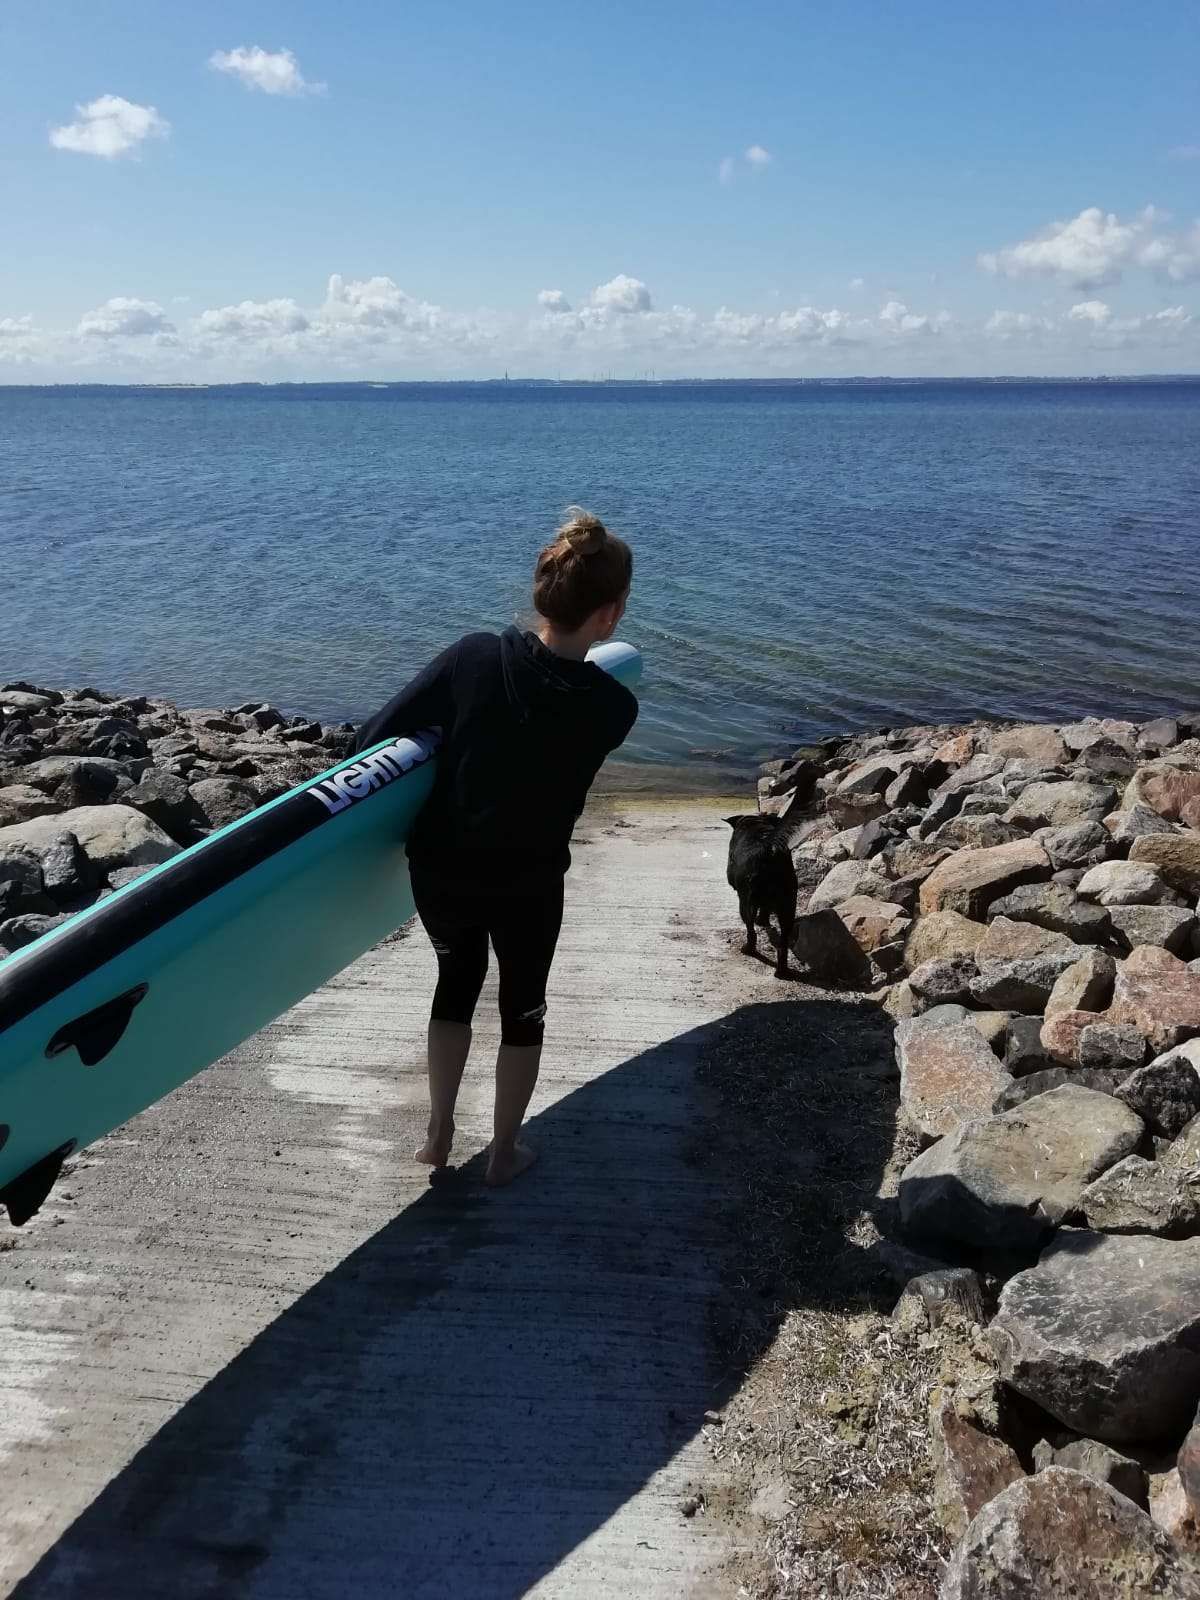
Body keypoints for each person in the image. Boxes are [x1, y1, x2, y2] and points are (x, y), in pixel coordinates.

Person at [354, 508, 637, 1185]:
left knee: (455, 984)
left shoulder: (472, 656)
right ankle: (505, 1153)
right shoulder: (613, 710)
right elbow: (554, 719)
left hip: (443, 871)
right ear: (610, 615)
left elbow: (372, 738)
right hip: (528, 883)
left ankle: (438, 1134)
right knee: (523, 1007)